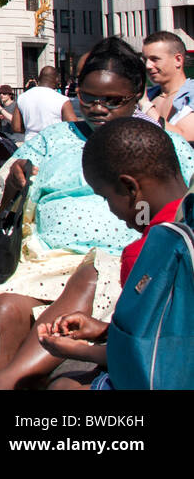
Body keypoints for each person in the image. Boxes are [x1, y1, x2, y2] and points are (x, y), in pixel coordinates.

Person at [0, 38, 194, 389]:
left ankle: (10, 380)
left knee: (92, 272)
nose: (98, 108)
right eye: (87, 98)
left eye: (112, 100)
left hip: (122, 267)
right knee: (2, 310)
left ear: (136, 95)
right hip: (45, 263)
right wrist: (14, 180)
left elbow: (182, 210)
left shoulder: (164, 145)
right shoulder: (52, 139)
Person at [37, 118, 194, 389]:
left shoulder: (146, 253)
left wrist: (76, 351)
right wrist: (102, 330)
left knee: (63, 386)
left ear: (130, 188)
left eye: (106, 197)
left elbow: (146, 356)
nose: (111, 210)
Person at [142, 30, 194, 124]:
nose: (148, 65)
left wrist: (145, 106)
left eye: (155, 59)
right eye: (145, 60)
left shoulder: (191, 96)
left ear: (178, 60)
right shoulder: (148, 95)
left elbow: (183, 136)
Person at [12, 67, 77, 137]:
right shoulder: (62, 100)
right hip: (55, 143)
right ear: (57, 80)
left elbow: (16, 127)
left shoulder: (22, 97)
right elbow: (74, 127)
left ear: (39, 78)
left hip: (31, 143)